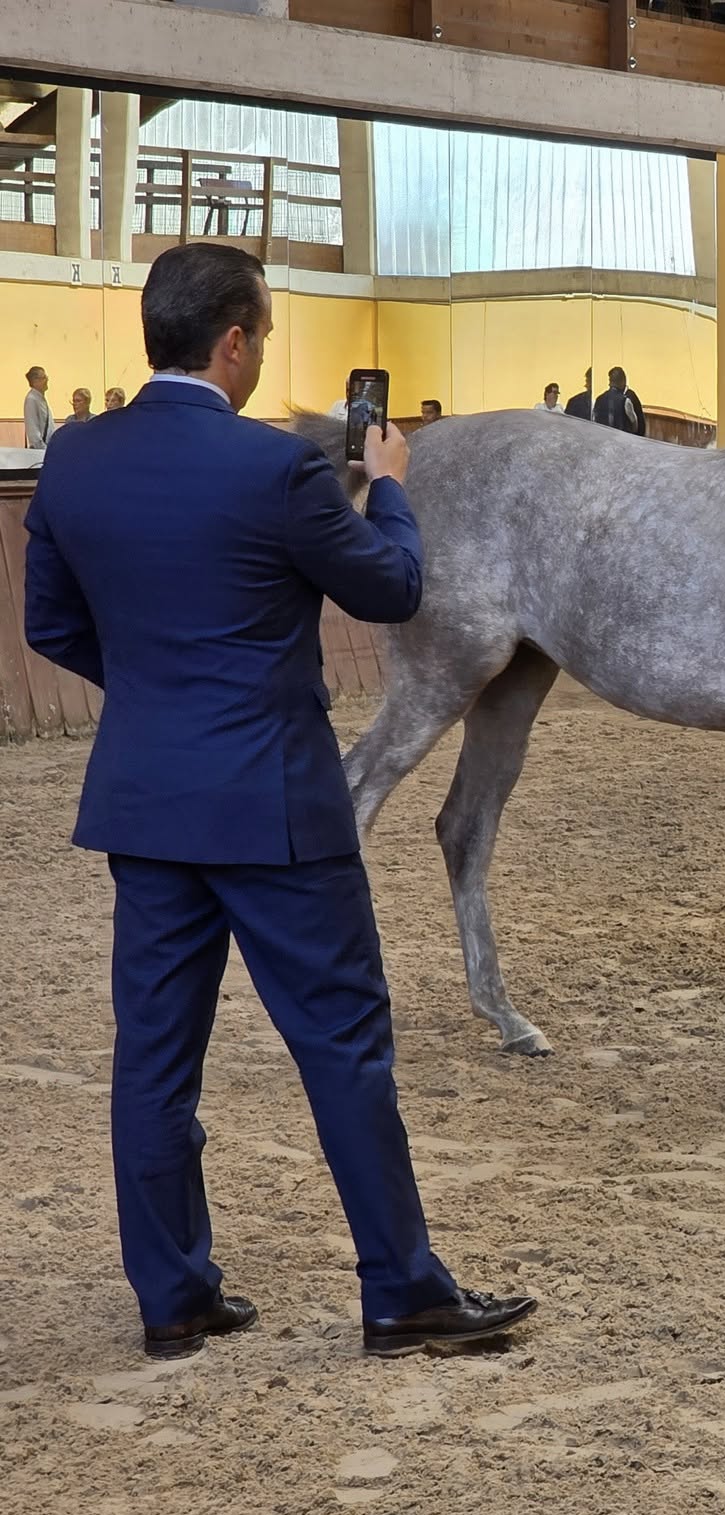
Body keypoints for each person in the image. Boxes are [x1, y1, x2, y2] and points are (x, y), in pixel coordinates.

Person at [21, 242, 535, 1362]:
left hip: (148, 800)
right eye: (263, 334)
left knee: (154, 1060)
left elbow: (51, 625)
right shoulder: (277, 469)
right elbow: (392, 588)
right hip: (274, 803)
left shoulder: (77, 459)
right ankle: (401, 1291)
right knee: (343, 1046)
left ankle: (173, 1298)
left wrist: (157, 692)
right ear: (233, 342)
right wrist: (390, 486)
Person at [595, 366, 646, 435]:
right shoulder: (625, 400)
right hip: (622, 438)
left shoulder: (599, 399)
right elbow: (635, 424)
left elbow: (595, 420)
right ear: (623, 381)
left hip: (604, 437)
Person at [23, 365, 52, 449]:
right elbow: (33, 431)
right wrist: (43, 449)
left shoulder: (39, 398)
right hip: (41, 450)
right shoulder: (31, 399)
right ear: (35, 381)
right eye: (44, 377)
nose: (47, 380)